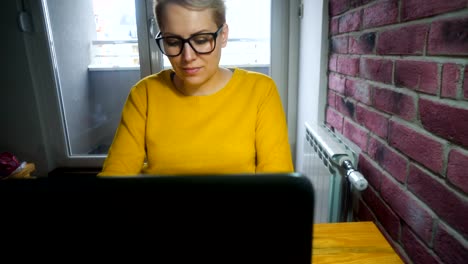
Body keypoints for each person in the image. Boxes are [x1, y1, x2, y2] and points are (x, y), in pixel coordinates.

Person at [98, 0, 293, 176]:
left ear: (223, 35)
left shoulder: (259, 91)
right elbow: (115, 182)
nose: (188, 56)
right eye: (173, 42)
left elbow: (278, 189)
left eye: (201, 40)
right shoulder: (145, 94)